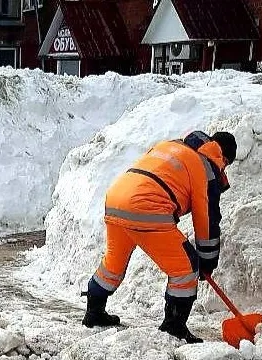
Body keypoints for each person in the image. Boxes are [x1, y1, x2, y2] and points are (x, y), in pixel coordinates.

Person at [82, 130, 237, 344]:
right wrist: (207, 260)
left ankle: (94, 312)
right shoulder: (206, 167)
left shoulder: (170, 146)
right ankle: (174, 327)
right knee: (185, 267)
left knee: (113, 264)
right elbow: (207, 219)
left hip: (116, 199)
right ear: (224, 158)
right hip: (147, 207)